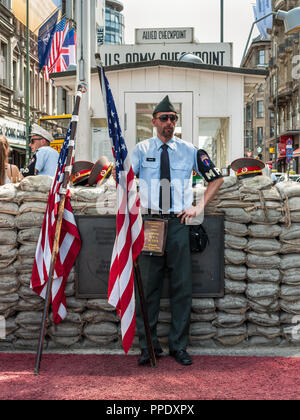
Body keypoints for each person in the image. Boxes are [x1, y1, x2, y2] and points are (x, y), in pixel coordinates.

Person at [112, 95, 224, 366]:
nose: (169, 123)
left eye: (173, 118)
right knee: (148, 288)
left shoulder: (190, 150)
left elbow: (216, 178)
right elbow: (124, 179)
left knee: (182, 287)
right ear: (154, 122)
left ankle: (178, 346)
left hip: (178, 225)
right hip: (151, 224)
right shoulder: (141, 149)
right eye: (164, 118)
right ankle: (147, 346)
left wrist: (198, 207)